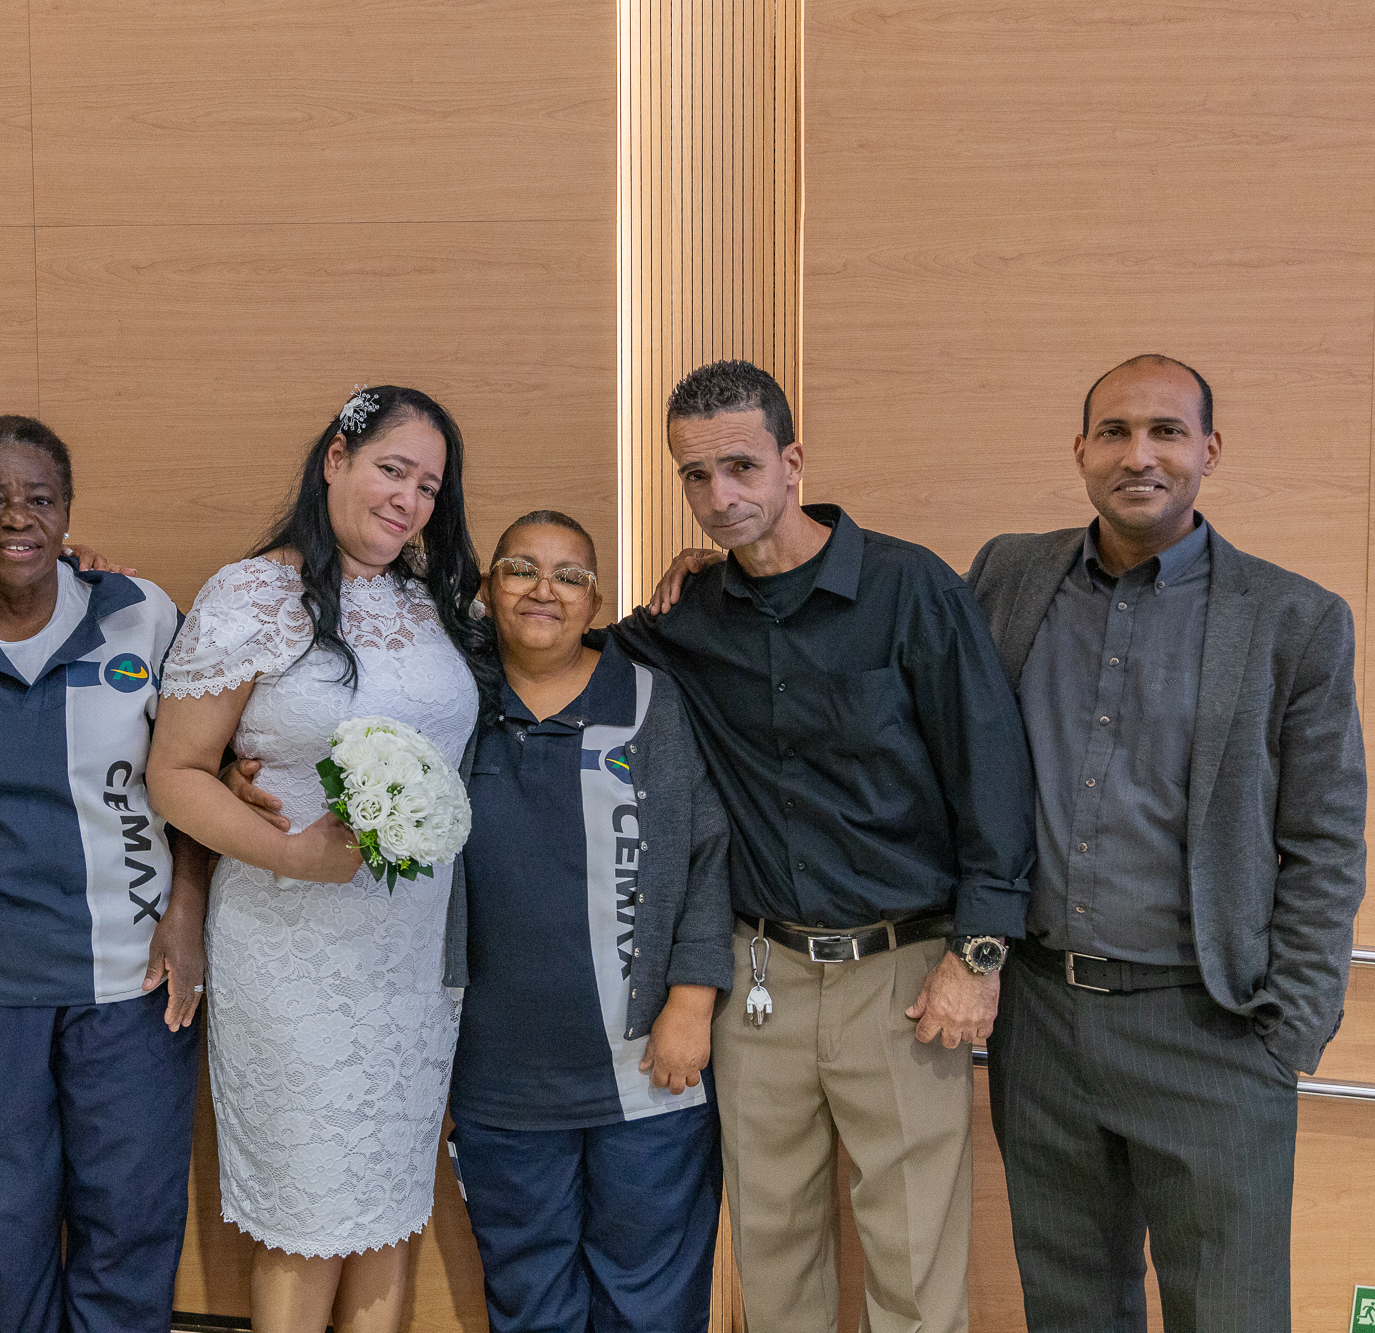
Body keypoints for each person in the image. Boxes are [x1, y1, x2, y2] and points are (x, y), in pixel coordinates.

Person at [617, 360, 1034, 1333]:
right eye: (694, 475)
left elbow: (993, 776)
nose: (719, 495)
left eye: (740, 467)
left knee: (914, 1261)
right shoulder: (688, 617)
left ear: (792, 461)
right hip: (755, 973)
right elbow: (558, 656)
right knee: (771, 1252)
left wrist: (977, 958)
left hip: (901, 977)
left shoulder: (908, 586)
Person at [966, 354, 1366, 1333]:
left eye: (1165, 431)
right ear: (1079, 450)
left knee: (1228, 1313)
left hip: (1211, 1029)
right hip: (1042, 1022)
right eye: (1113, 431)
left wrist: (1289, 1030)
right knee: (1070, 1311)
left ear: (1208, 451)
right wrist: (727, 570)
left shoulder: (1293, 620)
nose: (1137, 454)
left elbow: (1324, 838)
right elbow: (888, 650)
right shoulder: (1006, 577)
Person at [146, 386, 493, 1333]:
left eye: (429, 487)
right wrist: (290, 853)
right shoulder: (252, 594)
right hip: (289, 945)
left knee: (390, 1200)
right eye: (392, 470)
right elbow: (175, 773)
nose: (409, 501)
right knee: (307, 1217)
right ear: (336, 458)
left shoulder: (434, 601)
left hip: (412, 956)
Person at [0, 414, 211, 1333]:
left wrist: (187, 912)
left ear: (69, 511)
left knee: (132, 1220)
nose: (16, 517)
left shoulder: (141, 614)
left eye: (40, 498)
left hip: (134, 977)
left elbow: (197, 774)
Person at [445, 511, 730, 1332]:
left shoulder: (648, 699)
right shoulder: (452, 702)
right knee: (530, 1297)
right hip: (500, 1075)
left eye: (570, 575)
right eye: (521, 569)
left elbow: (707, 853)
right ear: (488, 589)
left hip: (645, 1067)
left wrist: (692, 1000)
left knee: (651, 1300)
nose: (545, 590)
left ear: (596, 600)